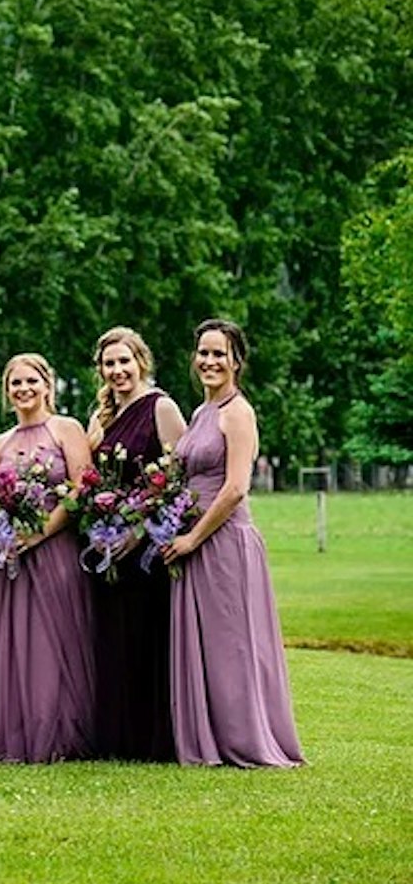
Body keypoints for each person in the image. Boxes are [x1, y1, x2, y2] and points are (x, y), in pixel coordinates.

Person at [163, 319, 303, 767]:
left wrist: (192, 538)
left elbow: (236, 487)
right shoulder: (202, 412)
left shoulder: (237, 412)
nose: (209, 361)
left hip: (223, 542)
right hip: (191, 537)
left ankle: (244, 739)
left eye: (219, 354)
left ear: (236, 361)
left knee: (233, 643)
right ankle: (209, 737)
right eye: (203, 353)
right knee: (206, 643)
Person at [0, 352, 95, 763]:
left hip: (57, 549)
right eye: (16, 384)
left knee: (56, 641)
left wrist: (41, 531)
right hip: (15, 559)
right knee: (19, 645)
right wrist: (7, 534)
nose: (24, 390)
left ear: (47, 385)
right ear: (7, 391)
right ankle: (23, 734)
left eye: (32, 381)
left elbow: (82, 487)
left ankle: (63, 734)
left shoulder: (66, 428)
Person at [86, 326, 186, 761]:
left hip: (146, 550)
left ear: (141, 361)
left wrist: (139, 529)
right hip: (107, 545)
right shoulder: (102, 417)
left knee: (147, 642)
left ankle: (152, 741)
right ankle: (116, 740)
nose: (117, 370)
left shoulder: (160, 406)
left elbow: (177, 479)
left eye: (124, 361)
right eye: (109, 363)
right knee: (112, 642)